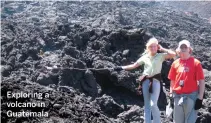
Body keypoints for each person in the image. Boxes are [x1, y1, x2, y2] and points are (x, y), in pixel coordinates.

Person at [114, 37, 176, 123]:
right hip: (145, 81)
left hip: (156, 81)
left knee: (153, 104)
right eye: (151, 46)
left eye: (155, 46)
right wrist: (120, 67)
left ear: (157, 47)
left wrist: (162, 49)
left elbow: (173, 54)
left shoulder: (161, 56)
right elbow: (133, 66)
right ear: (148, 47)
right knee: (147, 104)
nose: (153, 48)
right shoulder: (144, 57)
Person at [168, 40, 205, 123]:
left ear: (189, 49)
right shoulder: (175, 63)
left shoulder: (196, 63)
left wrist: (200, 98)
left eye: (185, 47)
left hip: (191, 97)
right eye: (181, 47)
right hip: (177, 96)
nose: (183, 49)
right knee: (177, 121)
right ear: (178, 50)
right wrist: (171, 94)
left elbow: (201, 81)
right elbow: (172, 80)